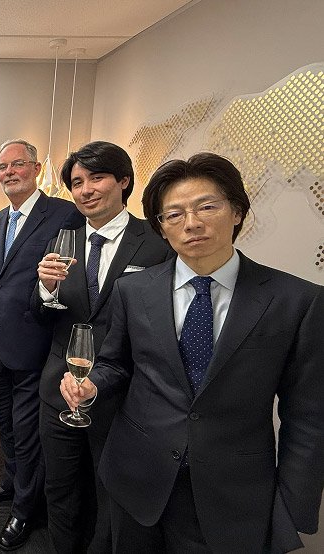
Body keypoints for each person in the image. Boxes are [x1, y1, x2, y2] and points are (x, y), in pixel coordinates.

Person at [61, 153, 324, 553]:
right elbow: (116, 363)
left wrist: (291, 509)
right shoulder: (135, 291)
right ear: (162, 228)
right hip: (135, 476)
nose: (192, 223)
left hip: (231, 492)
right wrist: (93, 387)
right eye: (174, 214)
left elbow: (307, 417)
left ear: (236, 212)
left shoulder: (296, 301)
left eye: (207, 207)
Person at [30, 142, 172, 553]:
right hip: (58, 390)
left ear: (123, 181)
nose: (86, 190)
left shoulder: (154, 242)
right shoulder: (63, 238)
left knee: (112, 496)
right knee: (61, 489)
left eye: (97, 178)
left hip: (121, 396)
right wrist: (44, 287)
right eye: (76, 182)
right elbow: (40, 313)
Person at [0, 139, 83, 551]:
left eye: (17, 165)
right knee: (5, 425)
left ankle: (27, 510)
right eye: (3, 166)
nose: (9, 172)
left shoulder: (63, 214)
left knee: (27, 433)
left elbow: (70, 275)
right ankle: (13, 483)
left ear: (37, 168)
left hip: (33, 343)